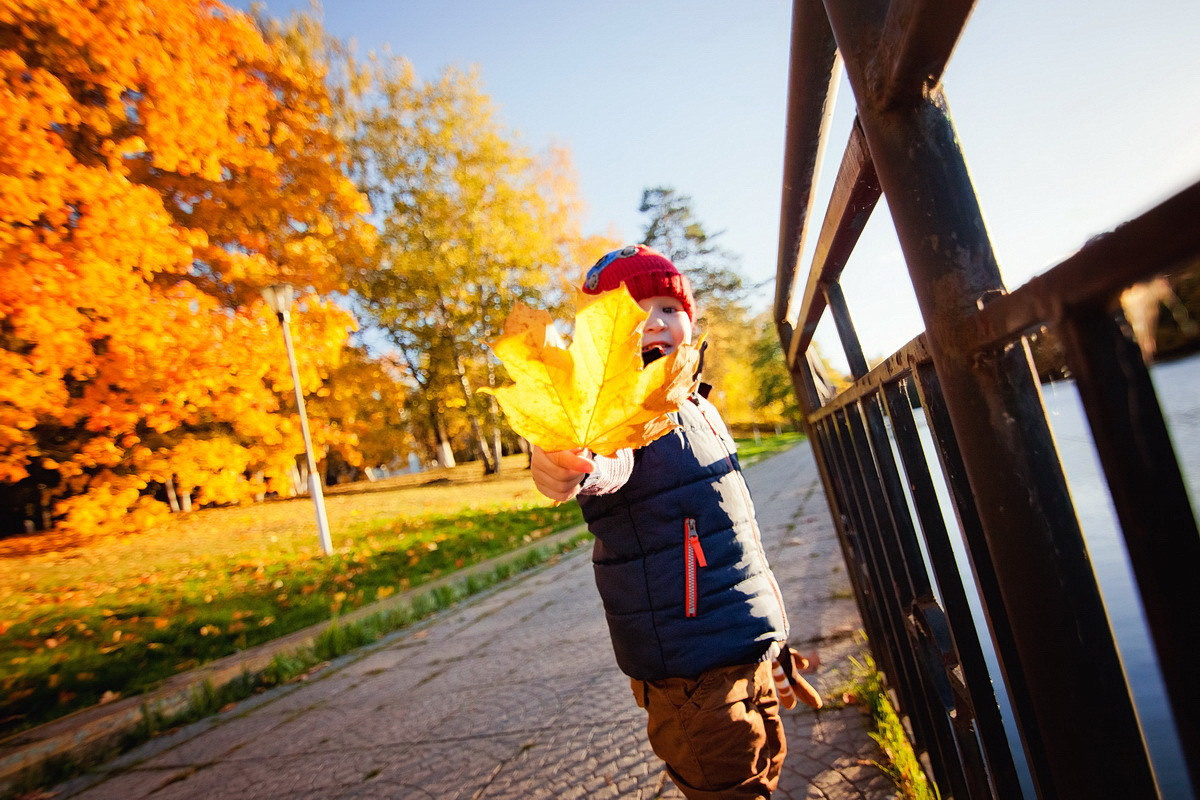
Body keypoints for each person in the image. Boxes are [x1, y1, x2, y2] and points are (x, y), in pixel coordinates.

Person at [530, 245, 819, 800]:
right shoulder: (614, 415)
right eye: (631, 315)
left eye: (667, 307)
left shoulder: (699, 407)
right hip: (690, 668)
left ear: (690, 319)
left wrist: (771, 636)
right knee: (729, 786)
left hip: (741, 641)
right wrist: (567, 465)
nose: (652, 323)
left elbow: (737, 534)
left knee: (765, 760)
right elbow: (604, 463)